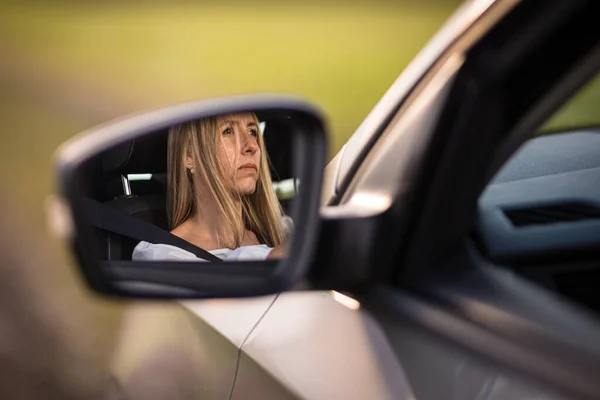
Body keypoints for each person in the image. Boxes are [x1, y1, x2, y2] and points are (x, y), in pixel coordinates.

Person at [132, 112, 291, 262]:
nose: (252, 146)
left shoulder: (282, 231)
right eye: (228, 131)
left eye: (253, 132)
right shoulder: (163, 256)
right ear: (190, 155)